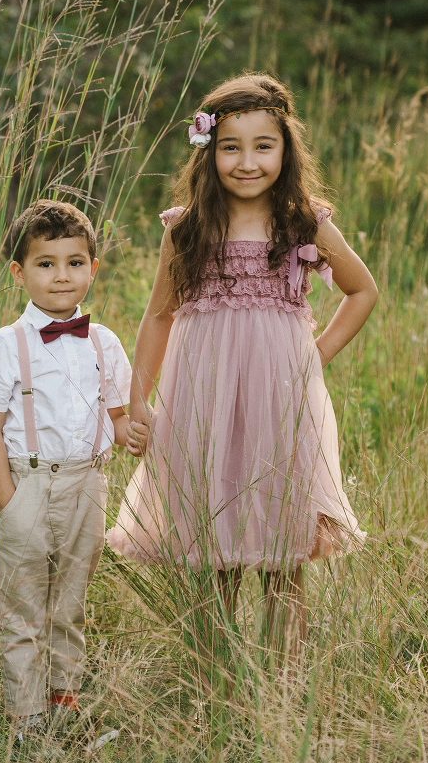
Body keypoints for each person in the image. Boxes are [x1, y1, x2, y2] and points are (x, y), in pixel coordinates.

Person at [106, 73, 376, 653]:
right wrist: (138, 398)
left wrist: (314, 357)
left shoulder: (304, 221)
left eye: (263, 145)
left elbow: (362, 291)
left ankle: (283, 686)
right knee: (214, 543)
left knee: (282, 549)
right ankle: (215, 678)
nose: (247, 161)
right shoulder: (187, 228)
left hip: (280, 397)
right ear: (209, 152)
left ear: (285, 149)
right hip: (203, 396)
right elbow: (158, 317)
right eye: (230, 146)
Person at [0, 199, 131, 745]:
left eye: (75, 262)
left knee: (70, 603)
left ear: (93, 268)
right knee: (23, 605)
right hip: (29, 486)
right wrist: (8, 501)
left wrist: (141, 436)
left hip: (90, 485)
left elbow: (120, 416)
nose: (62, 275)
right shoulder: (2, 348)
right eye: (46, 263)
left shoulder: (105, 343)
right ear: (19, 272)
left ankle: (64, 706)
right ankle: (25, 723)